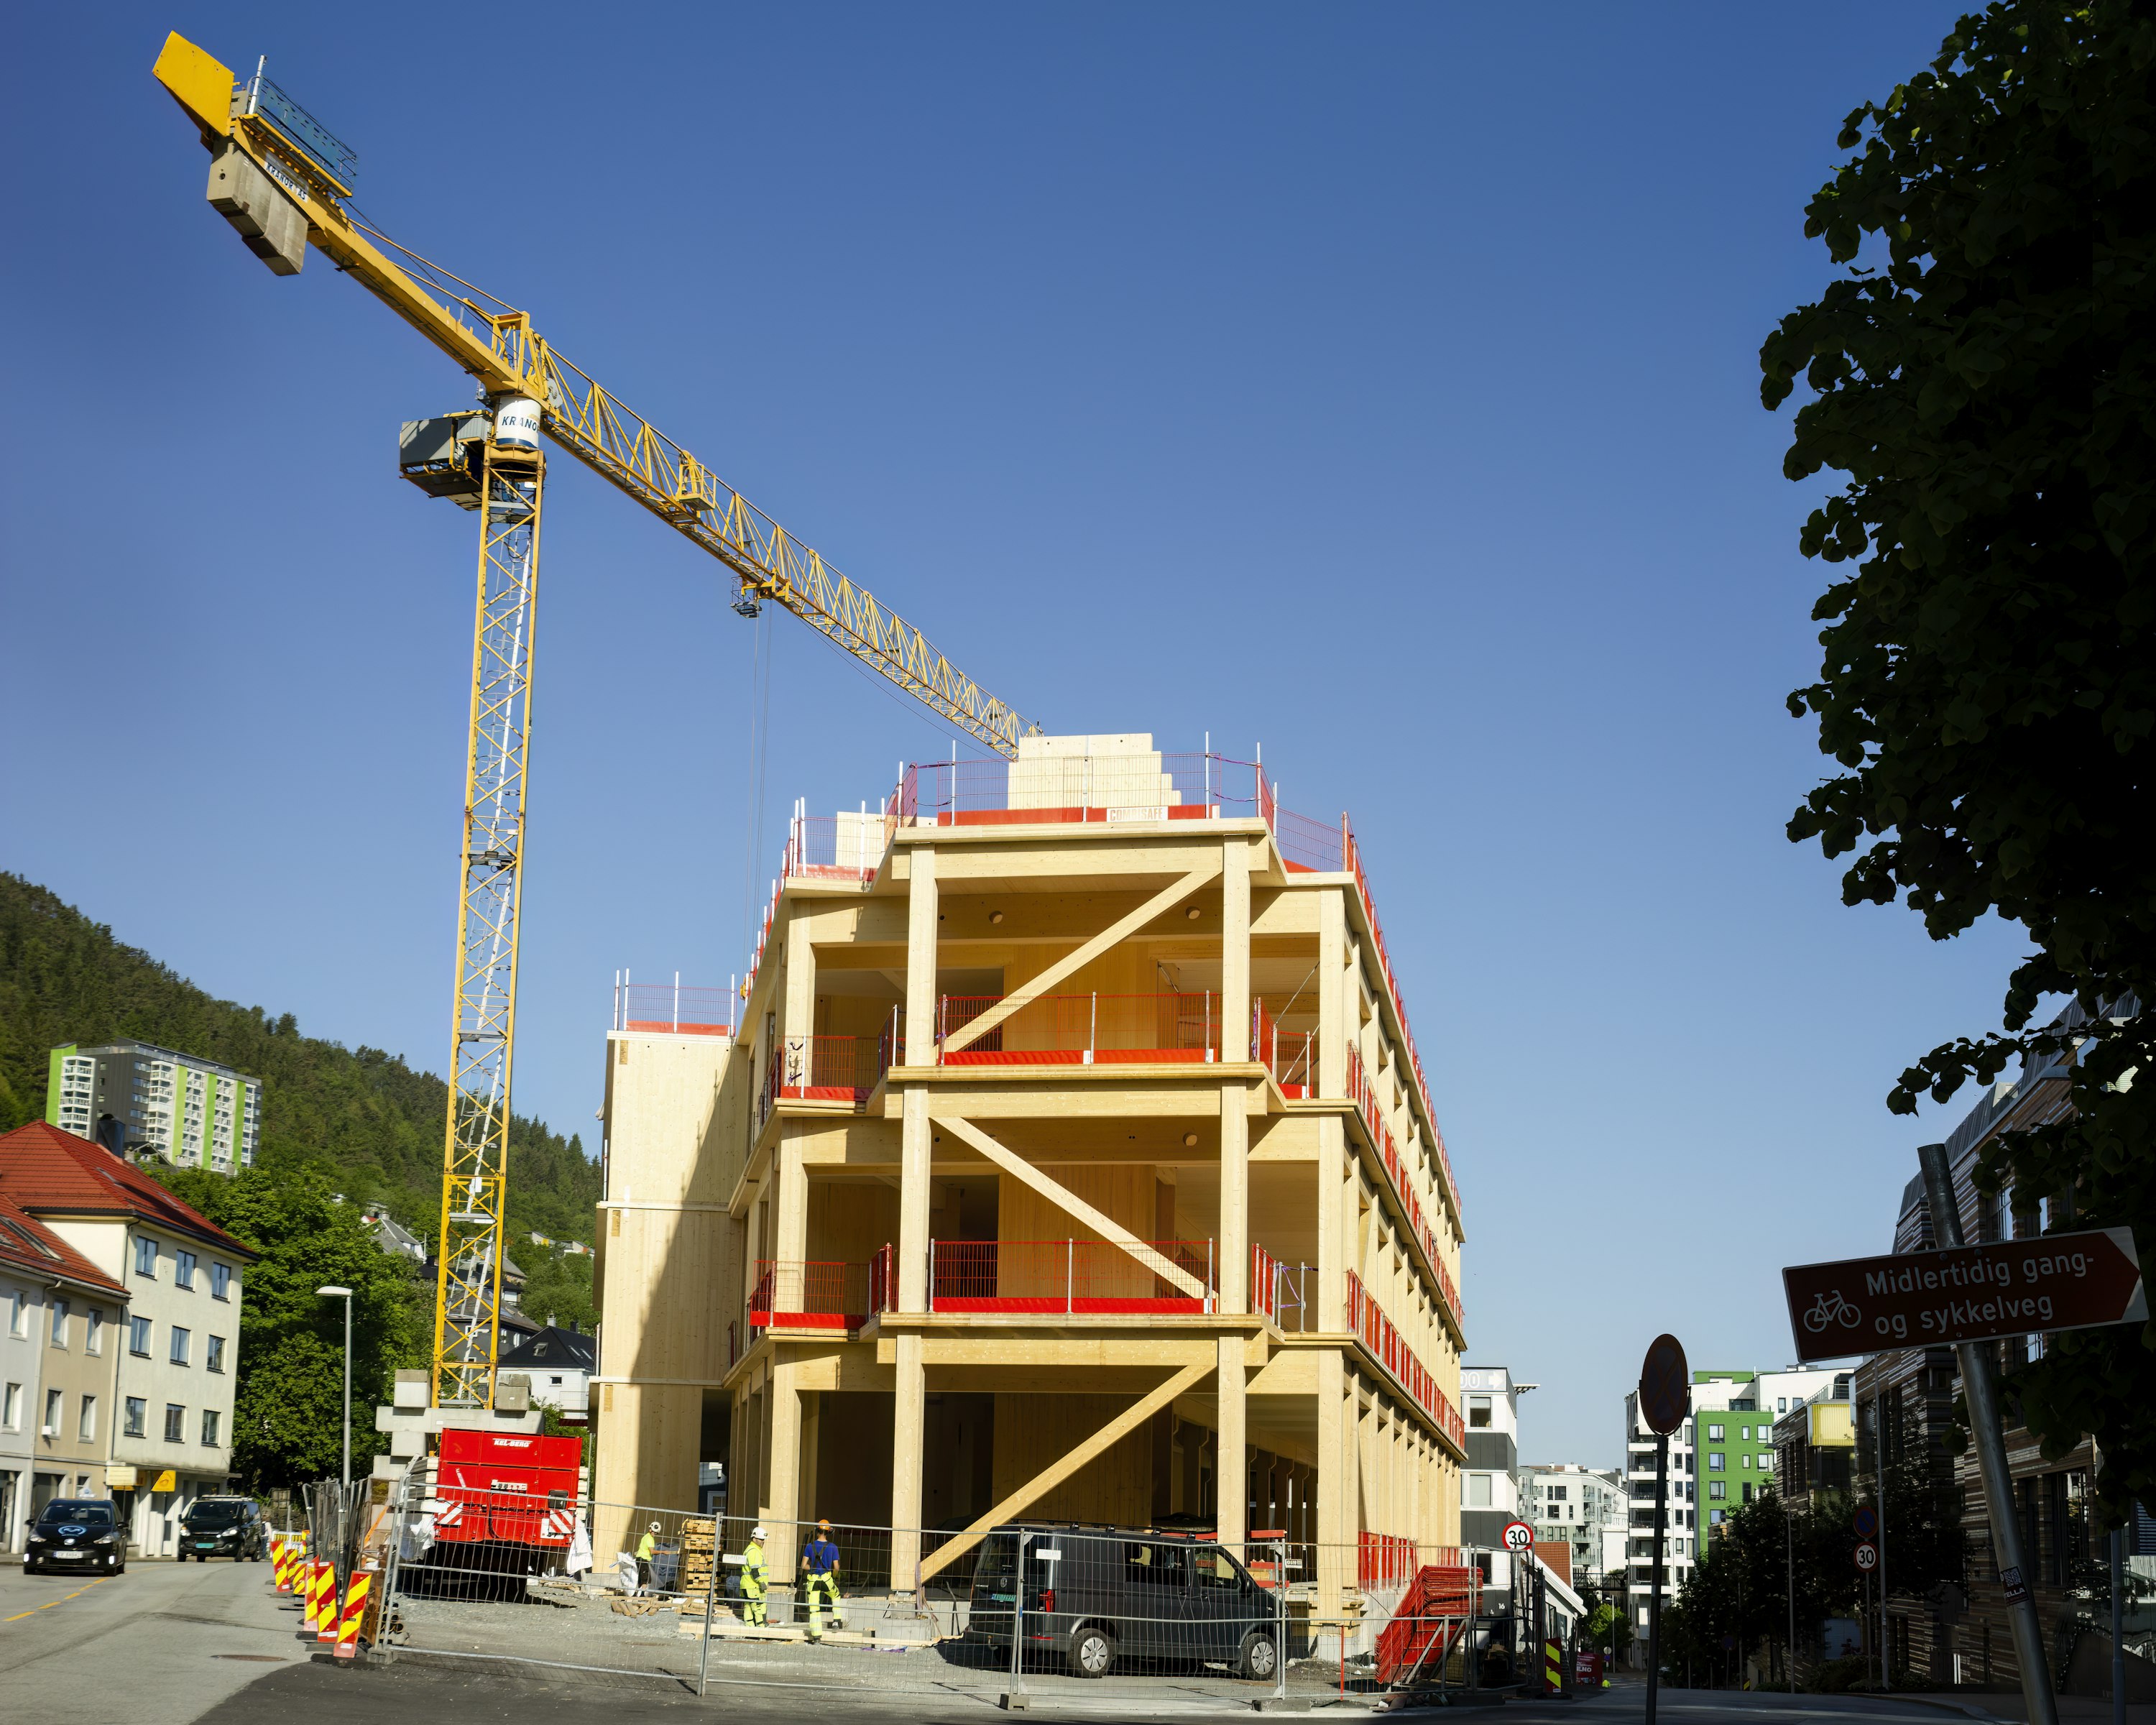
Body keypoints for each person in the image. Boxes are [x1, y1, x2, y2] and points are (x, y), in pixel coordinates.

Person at [800, 1519, 841, 1638]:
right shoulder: (833, 1547)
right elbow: (836, 1567)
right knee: (836, 1595)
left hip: (813, 1581)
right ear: (829, 1532)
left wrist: (813, 1568)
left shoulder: (809, 1546)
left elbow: (803, 1566)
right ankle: (836, 1622)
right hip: (826, 1579)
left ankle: (816, 1636)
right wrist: (834, 1576)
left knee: (814, 1608)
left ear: (817, 1531)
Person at [740, 1524, 768, 1626]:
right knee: (758, 1608)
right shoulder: (754, 1551)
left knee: (748, 1607)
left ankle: (750, 1628)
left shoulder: (750, 1549)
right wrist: (762, 1582)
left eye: (764, 1540)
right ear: (754, 1538)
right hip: (754, 1586)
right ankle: (761, 1628)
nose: (763, 1542)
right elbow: (755, 1571)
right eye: (761, 1539)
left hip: (747, 1585)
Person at [635, 1521, 660, 1593]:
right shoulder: (650, 1539)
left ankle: (638, 1592)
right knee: (645, 1578)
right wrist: (663, 1552)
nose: (655, 1534)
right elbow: (652, 1551)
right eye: (655, 1533)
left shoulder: (646, 1536)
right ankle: (642, 1593)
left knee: (641, 1577)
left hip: (639, 1558)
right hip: (643, 1559)